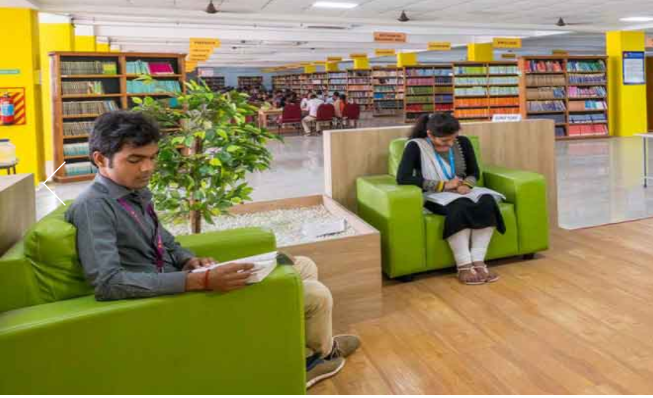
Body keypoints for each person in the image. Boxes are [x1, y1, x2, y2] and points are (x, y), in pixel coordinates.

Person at [64, 111, 360, 389]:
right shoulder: (94, 207)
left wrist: (188, 260)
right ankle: (309, 363)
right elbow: (108, 283)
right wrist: (197, 281)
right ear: (100, 159)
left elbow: (164, 240)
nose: (148, 168)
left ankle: (306, 348)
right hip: (164, 301)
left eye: (152, 158)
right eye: (135, 159)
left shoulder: (132, 193)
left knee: (302, 265)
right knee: (315, 295)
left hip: (179, 280)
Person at [397, 113, 507, 285]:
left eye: (453, 138)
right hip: (434, 194)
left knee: (487, 201)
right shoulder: (415, 146)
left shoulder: (463, 142)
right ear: (430, 134)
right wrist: (444, 185)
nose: (450, 144)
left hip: (462, 190)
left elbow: (474, 172)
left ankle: (478, 262)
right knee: (460, 206)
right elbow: (403, 178)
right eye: (444, 141)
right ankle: (464, 266)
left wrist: (467, 185)